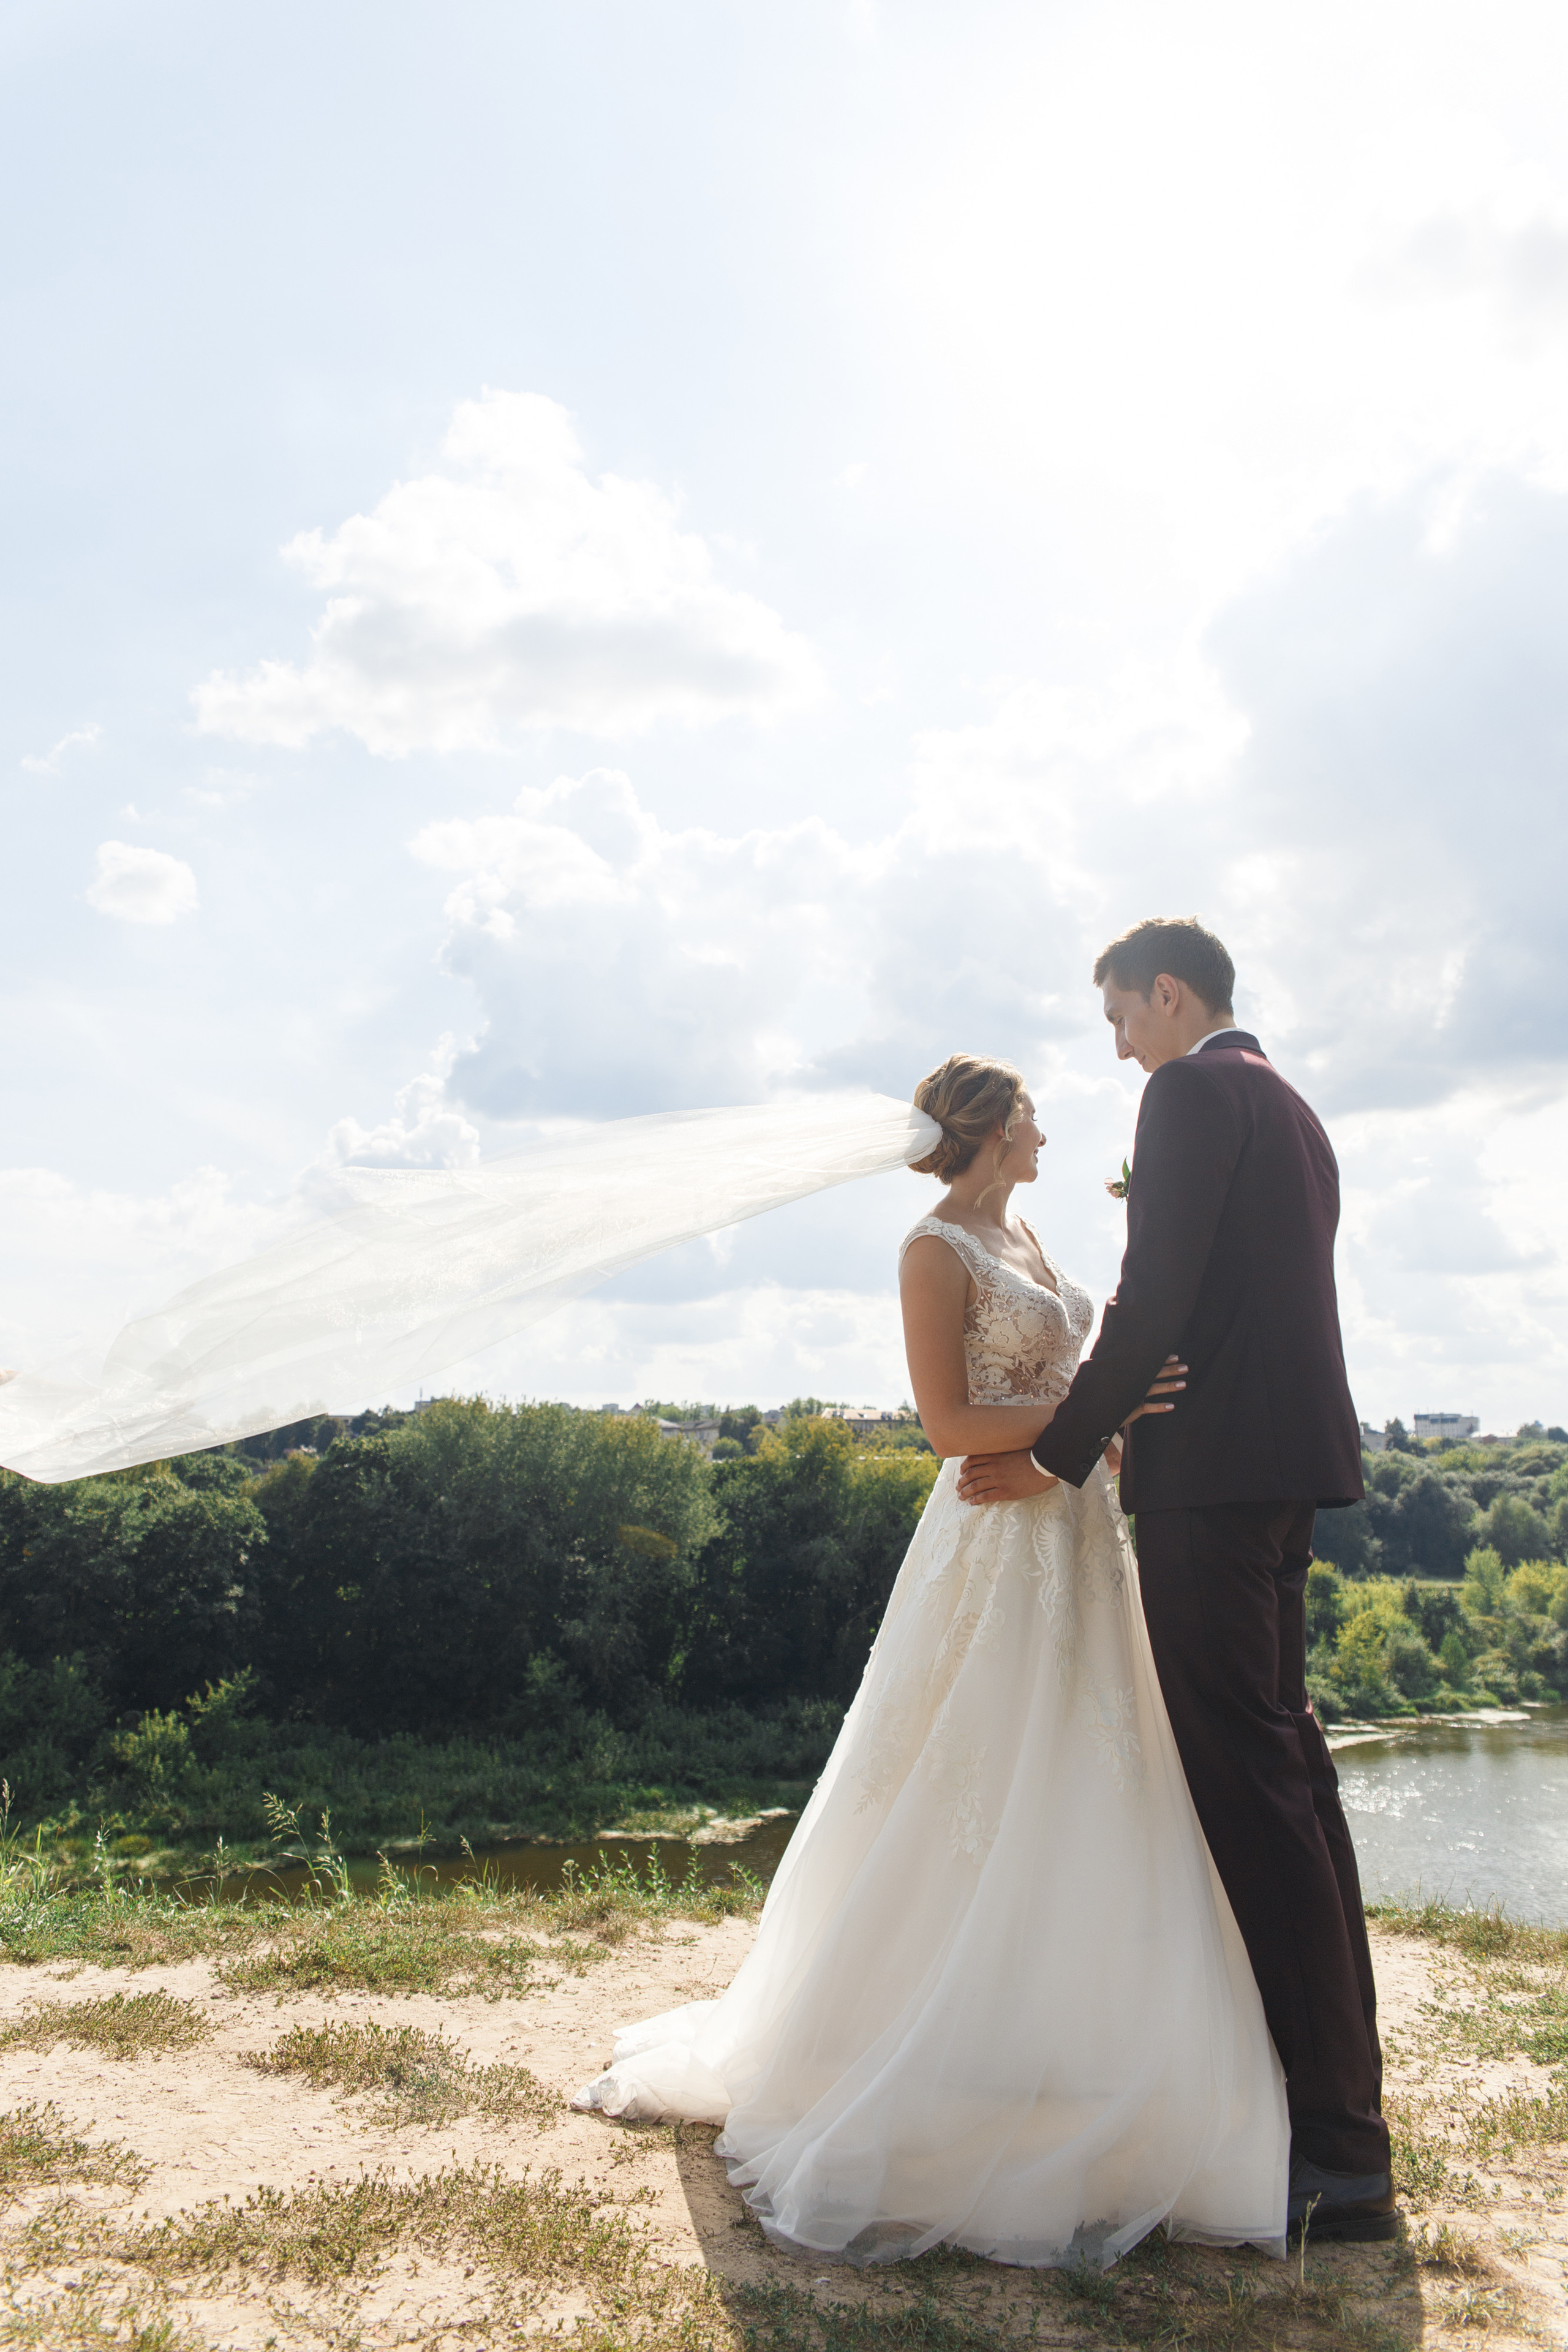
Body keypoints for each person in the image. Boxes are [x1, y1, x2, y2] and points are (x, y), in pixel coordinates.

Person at [575, 1052, 1289, 2270]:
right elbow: (950, 1428)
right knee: (966, 1777)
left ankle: (1062, 2037)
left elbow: (1064, 1377)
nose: (1050, 1132)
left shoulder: (1029, 1237)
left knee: (1085, 1779)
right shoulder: (931, 1252)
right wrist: (1100, 1417)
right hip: (991, 1543)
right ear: (999, 1124)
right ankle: (917, 2035)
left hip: (1071, 1529)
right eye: (1035, 1115)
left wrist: (1097, 1440)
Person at [957, 918, 1392, 2246]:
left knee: (1251, 1788)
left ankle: (1335, 2153)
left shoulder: (1192, 1088)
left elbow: (1154, 1295)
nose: (1116, 1045)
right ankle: (1335, 2101)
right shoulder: (1286, 1101)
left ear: (1163, 994)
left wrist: (1059, 1452)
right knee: (1290, 1773)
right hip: (1278, 1468)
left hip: (1206, 1474)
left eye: (1117, 1018)